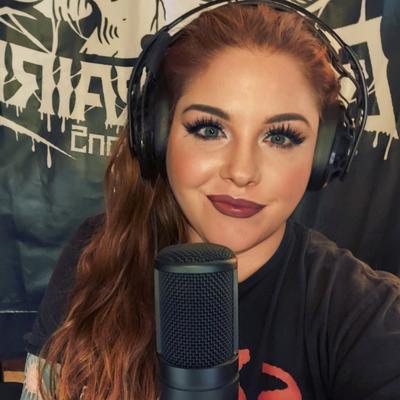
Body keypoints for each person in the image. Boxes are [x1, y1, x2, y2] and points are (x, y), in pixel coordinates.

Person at [20, 2, 400, 400]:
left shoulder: (362, 312)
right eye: (209, 129)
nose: (241, 171)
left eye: (280, 137)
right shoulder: (98, 254)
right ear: (158, 134)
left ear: (324, 157)